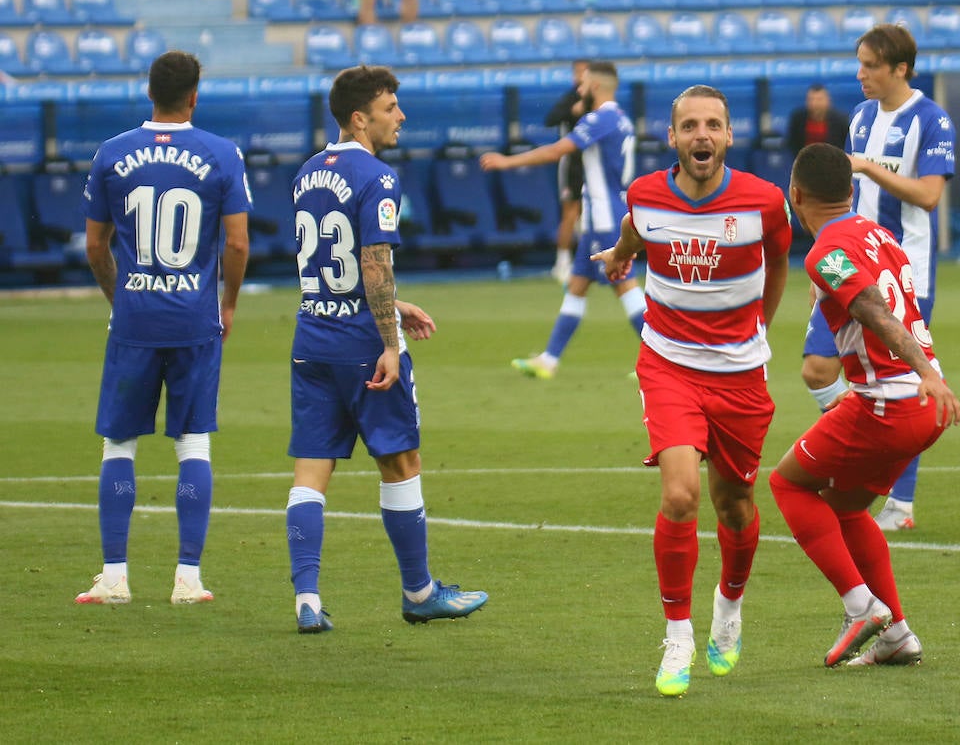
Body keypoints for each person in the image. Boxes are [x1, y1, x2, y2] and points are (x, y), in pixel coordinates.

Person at [592, 85, 791, 697]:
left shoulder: (764, 201)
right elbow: (636, 226)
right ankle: (677, 634)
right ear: (671, 137)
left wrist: (760, 327)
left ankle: (728, 607)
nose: (701, 135)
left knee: (734, 504)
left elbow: (779, 262)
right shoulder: (645, 192)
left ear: (729, 136)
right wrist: (622, 254)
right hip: (669, 364)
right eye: (689, 126)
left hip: (740, 373)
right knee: (680, 495)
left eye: (713, 125)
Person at [286, 65, 487, 632]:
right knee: (400, 463)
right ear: (360, 118)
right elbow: (371, 263)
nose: (401, 116)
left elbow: (330, 265)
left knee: (311, 471)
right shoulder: (376, 175)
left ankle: (306, 597)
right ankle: (420, 591)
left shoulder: (307, 173)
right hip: (360, 345)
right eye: (390, 107)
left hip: (311, 339)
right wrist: (391, 342)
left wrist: (396, 303)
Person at [772, 142, 960, 667]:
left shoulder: (825, 253)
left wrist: (923, 374)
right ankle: (897, 636)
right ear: (852, 191)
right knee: (847, 507)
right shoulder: (882, 235)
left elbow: (874, 311)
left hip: (893, 402)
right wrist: (931, 375)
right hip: (924, 409)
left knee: (787, 483)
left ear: (796, 195)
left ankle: (861, 607)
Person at [76, 50, 251, 606]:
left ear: (148, 92)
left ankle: (114, 577)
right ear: (194, 96)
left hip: (134, 318)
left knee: (119, 444)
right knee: (192, 441)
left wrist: (119, 295)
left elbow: (95, 245)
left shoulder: (111, 153)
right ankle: (188, 578)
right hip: (194, 320)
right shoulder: (223, 154)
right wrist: (228, 305)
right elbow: (240, 243)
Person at [800, 23, 956, 533]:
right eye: (859, 63)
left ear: (900, 69)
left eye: (870, 65)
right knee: (818, 369)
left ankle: (901, 504)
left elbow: (930, 196)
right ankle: (855, 460)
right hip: (849, 263)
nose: (861, 73)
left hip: (903, 271)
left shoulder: (932, 120)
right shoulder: (862, 117)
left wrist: (868, 165)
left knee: (904, 382)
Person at [480, 61, 646, 379]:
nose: (578, 91)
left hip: (604, 217)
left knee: (625, 286)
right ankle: (550, 359)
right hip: (603, 213)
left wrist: (506, 162)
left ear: (595, 87)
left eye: (582, 85)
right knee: (577, 285)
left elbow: (558, 151)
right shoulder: (621, 119)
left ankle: (663, 358)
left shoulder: (602, 118)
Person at [545, 59, 592, 285]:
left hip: (591, 164)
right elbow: (550, 119)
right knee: (570, 212)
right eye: (578, 72)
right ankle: (561, 263)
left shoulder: (596, 101)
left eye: (585, 72)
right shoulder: (569, 98)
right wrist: (571, 112)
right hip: (571, 164)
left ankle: (588, 262)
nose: (581, 76)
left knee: (589, 215)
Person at [785, 83, 850, 155]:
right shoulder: (797, 119)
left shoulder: (841, 121)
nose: (814, 103)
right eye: (811, 99)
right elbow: (792, 144)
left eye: (819, 100)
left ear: (828, 101)